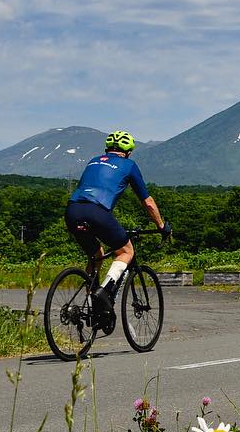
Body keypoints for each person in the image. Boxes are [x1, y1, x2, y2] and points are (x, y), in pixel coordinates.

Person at [65, 131, 169, 326]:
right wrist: (161, 226)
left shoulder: (94, 161)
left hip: (72, 211)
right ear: (128, 151)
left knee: (96, 255)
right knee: (126, 251)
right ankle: (103, 291)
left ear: (108, 148)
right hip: (97, 212)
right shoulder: (129, 165)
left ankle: (90, 307)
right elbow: (147, 202)